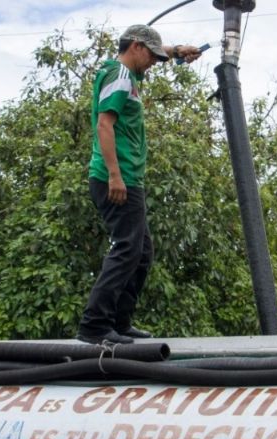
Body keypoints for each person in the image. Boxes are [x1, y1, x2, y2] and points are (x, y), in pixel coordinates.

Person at [76, 25, 203, 345]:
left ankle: (119, 321)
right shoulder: (119, 74)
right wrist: (115, 175)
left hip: (127, 178)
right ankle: (94, 325)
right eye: (151, 56)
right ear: (135, 47)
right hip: (117, 178)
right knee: (128, 248)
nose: (153, 64)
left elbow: (153, 54)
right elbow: (105, 126)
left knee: (142, 251)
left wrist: (174, 51)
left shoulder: (126, 74)